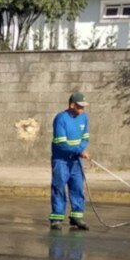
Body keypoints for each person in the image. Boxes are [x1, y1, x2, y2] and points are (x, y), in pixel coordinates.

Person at [50, 92, 91, 230]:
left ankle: (76, 217)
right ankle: (57, 218)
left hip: (75, 161)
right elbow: (60, 143)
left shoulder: (84, 118)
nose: (82, 110)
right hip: (61, 161)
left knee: (77, 188)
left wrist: (80, 150)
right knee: (59, 187)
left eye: (84, 107)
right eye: (80, 107)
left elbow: (85, 138)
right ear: (72, 105)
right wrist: (78, 151)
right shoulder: (61, 119)